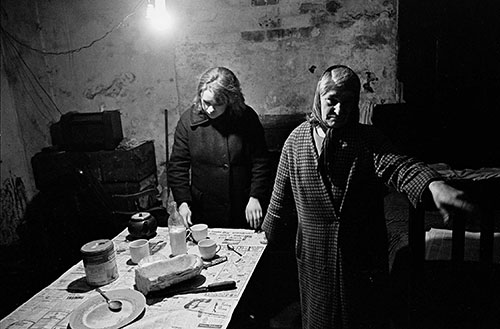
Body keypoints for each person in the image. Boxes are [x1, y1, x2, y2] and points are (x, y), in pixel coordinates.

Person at [261, 65, 474, 329]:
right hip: (315, 259)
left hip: (361, 258)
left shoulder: (367, 140)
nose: (339, 110)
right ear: (319, 97)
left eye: (347, 103)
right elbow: (278, 204)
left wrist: (433, 185)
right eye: (332, 101)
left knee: (362, 320)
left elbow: (399, 166)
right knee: (318, 321)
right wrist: (265, 237)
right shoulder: (295, 142)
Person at [167, 67, 271, 229]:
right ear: (200, 95)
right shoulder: (187, 121)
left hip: (243, 205)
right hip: (203, 208)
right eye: (206, 102)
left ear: (231, 100)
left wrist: (255, 196)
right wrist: (183, 203)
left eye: (218, 104)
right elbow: (177, 166)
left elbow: (261, 162)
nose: (210, 109)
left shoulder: (247, 118)